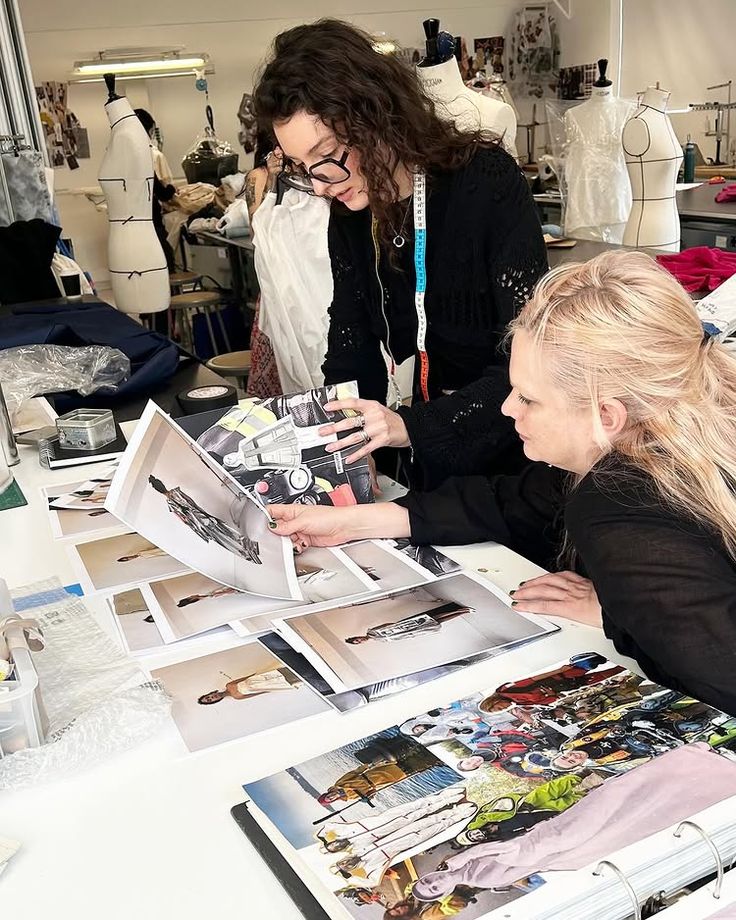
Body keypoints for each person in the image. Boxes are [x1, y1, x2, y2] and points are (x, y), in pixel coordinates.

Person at [267, 251, 736, 716]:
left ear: (607, 415)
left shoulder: (623, 505)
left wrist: (628, 617)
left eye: (528, 398)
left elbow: (720, 675)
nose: (508, 408)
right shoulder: (677, 422)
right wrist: (354, 521)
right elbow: (517, 501)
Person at [253, 19, 547, 490]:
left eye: (325, 155)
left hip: (515, 454)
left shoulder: (486, 184)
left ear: (374, 118)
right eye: (303, 167)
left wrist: (408, 427)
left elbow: (533, 363)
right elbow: (351, 342)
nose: (319, 185)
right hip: (429, 449)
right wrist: (344, 441)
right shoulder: (353, 211)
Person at [134, 108, 177, 272]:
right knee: (165, 259)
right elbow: (163, 192)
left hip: (134, 220)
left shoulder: (121, 154)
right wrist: (172, 190)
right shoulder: (146, 156)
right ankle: (171, 293)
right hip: (150, 216)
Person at [345, 602, 473, 644]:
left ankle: (461, 609)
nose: (361, 640)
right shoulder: (380, 640)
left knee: (433, 617)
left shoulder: (371, 632)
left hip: (405, 625)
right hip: (410, 632)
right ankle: (463, 613)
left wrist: (399, 625)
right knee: (436, 623)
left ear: (357, 636)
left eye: (358, 639)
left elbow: (387, 625)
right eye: (359, 642)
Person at [197, 667, 301, 704]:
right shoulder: (236, 697)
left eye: (208, 697)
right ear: (215, 701)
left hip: (261, 677)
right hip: (266, 686)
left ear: (210, 693)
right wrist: (270, 689)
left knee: (285, 671)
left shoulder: (229, 685)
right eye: (210, 700)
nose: (212, 698)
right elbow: (255, 694)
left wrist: (261, 672)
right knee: (291, 680)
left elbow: (246, 677)